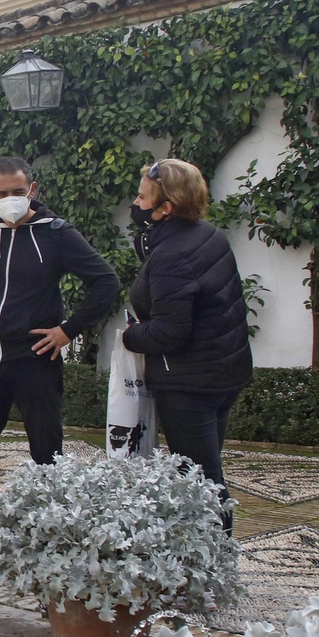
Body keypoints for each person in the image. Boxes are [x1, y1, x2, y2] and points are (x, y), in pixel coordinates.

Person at [0, 156, 120, 555]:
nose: (11, 200)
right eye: (2, 194)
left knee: (46, 447)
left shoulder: (55, 233)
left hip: (36, 357)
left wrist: (68, 331)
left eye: (18, 192)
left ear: (32, 190)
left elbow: (105, 281)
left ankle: (52, 531)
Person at [121, 158, 251, 532]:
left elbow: (168, 332)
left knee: (201, 482)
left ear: (166, 208)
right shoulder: (207, 234)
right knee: (205, 471)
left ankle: (212, 566)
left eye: (143, 197)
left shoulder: (173, 254)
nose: (136, 203)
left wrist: (129, 336)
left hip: (190, 383)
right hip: (223, 372)